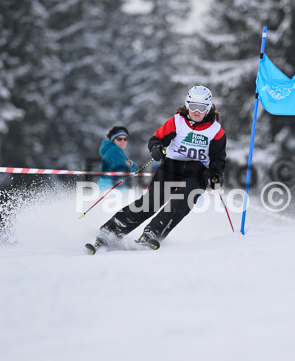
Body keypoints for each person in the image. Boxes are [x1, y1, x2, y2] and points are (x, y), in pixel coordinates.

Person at [86, 85, 226, 253]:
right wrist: (156, 149)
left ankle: (153, 232)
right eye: (192, 106)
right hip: (171, 167)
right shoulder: (177, 121)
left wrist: (216, 174)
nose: (196, 111)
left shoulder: (215, 131)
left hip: (196, 172)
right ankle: (111, 231)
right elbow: (156, 139)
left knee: (183, 200)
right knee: (152, 201)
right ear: (187, 105)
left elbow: (218, 158)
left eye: (201, 107)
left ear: (209, 108)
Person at [97, 126, 138, 190]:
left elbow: (135, 170)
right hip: (110, 186)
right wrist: (130, 166)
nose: (123, 141)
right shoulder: (114, 150)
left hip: (111, 185)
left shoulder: (118, 151)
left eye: (125, 139)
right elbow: (123, 170)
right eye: (119, 139)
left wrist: (130, 163)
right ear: (113, 140)